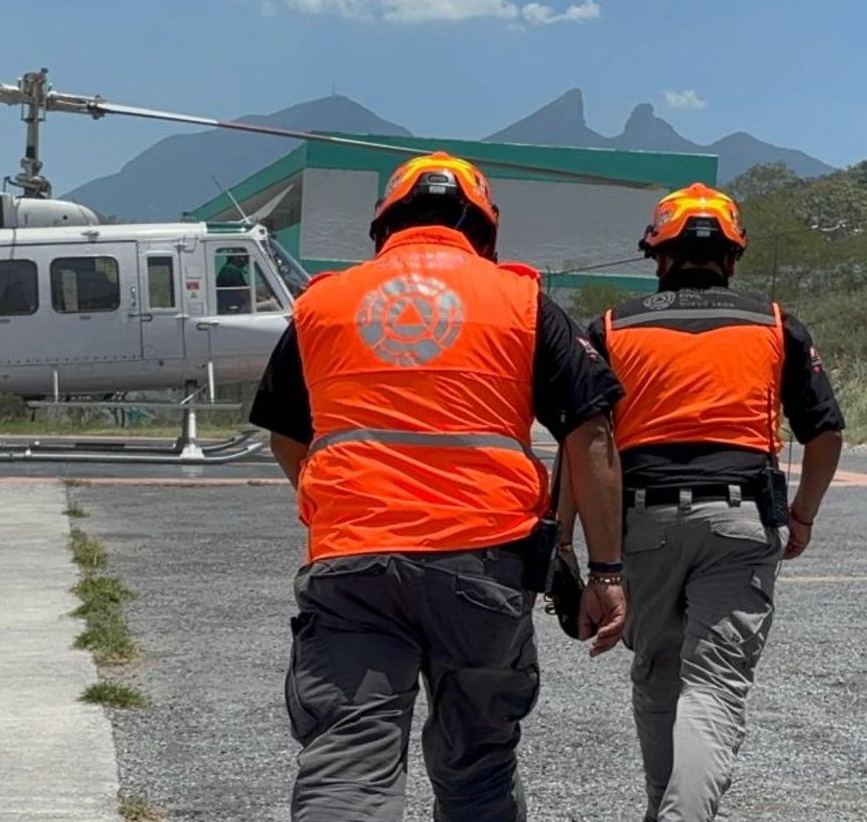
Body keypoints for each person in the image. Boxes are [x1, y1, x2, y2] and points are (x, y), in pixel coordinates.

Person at [250, 151, 629, 821]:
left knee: (346, 766)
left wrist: (330, 505)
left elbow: (286, 433)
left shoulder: (323, 304)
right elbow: (589, 435)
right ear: (484, 228)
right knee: (477, 768)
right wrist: (604, 571)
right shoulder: (521, 301)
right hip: (483, 564)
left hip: (353, 563)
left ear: (383, 223)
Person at [565, 182, 845, 822]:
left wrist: (575, 550)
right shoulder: (775, 324)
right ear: (733, 257)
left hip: (644, 525)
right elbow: (825, 432)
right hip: (740, 521)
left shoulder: (609, 329)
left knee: (660, 676)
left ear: (657, 256)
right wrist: (801, 514)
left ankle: (664, 808)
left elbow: (585, 441)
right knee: (713, 685)